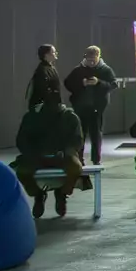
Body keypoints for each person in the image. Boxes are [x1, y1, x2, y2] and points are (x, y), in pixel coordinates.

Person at [12, 90, 89, 218]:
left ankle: (62, 193)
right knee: (23, 171)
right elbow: (22, 140)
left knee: (75, 168)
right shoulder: (32, 117)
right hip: (36, 156)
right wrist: (33, 153)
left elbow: (77, 140)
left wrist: (66, 151)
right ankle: (38, 194)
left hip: (64, 156)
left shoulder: (69, 117)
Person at [64, 46, 118, 164]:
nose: (92, 62)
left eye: (94, 59)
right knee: (80, 134)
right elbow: (67, 83)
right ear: (85, 58)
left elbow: (113, 84)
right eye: (89, 60)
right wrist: (81, 83)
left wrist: (99, 83)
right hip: (80, 107)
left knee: (96, 134)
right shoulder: (78, 70)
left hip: (97, 108)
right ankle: (79, 159)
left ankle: (96, 159)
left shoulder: (105, 70)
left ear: (99, 57)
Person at [26, 44, 62, 111]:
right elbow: (42, 89)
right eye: (53, 52)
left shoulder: (51, 68)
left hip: (51, 105)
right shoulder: (42, 70)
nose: (56, 54)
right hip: (43, 107)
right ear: (46, 55)